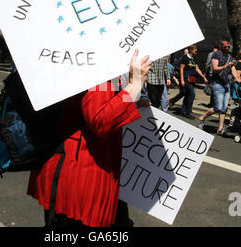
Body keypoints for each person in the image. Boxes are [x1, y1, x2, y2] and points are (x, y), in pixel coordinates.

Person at [27, 49, 152, 227]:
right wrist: (135, 85)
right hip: (79, 179)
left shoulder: (96, 62)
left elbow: (104, 103)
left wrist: (132, 97)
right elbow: (100, 120)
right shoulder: (97, 67)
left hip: (81, 172)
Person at [198, 38, 240, 135]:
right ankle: (202, 118)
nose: (227, 48)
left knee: (224, 108)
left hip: (226, 84)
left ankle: (220, 129)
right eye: (225, 46)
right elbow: (215, 69)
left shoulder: (229, 56)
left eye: (228, 46)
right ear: (221, 46)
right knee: (217, 107)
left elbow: (233, 68)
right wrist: (226, 66)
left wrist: (237, 78)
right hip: (218, 84)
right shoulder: (216, 55)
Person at [178, 44, 208, 119]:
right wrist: (181, 80)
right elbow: (181, 69)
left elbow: (197, 69)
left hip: (192, 79)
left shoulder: (194, 58)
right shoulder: (185, 58)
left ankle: (183, 111)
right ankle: (189, 112)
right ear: (191, 50)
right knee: (192, 94)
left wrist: (203, 77)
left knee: (188, 94)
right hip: (185, 79)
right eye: (195, 49)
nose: (196, 50)